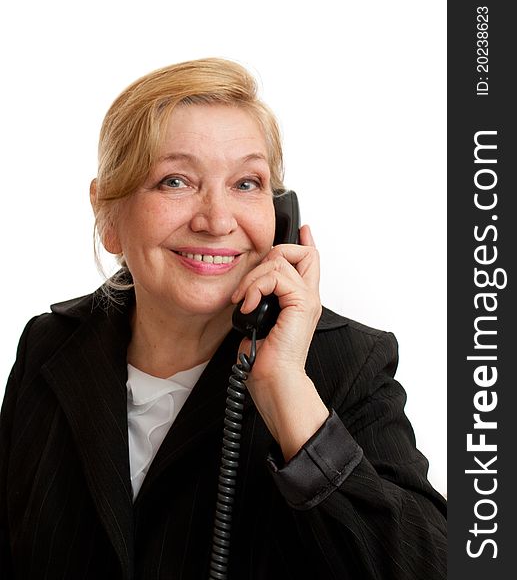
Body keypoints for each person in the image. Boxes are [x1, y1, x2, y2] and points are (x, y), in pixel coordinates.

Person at [0, 58, 446, 579]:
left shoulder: (345, 364)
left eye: (246, 184)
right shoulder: (50, 346)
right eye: (175, 181)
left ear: (280, 215)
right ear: (108, 216)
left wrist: (284, 392)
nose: (216, 220)